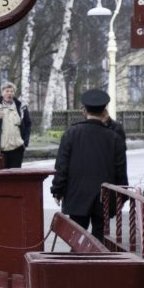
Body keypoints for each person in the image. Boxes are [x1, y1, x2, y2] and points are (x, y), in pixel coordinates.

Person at [50, 89, 128, 243]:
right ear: (104, 110)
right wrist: (121, 196)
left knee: (77, 240)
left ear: (84, 110)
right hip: (104, 197)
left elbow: (61, 166)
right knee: (100, 241)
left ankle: (78, 266)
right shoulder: (114, 137)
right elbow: (121, 170)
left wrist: (57, 190)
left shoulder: (71, 133)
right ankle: (97, 266)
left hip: (77, 195)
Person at [0, 81, 31, 168]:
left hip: (17, 148)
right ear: (2, 92)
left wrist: (25, 142)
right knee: (2, 177)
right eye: (7, 91)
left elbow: (28, 124)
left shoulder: (21, 107)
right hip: (1, 150)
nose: (9, 93)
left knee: (16, 177)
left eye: (12, 91)